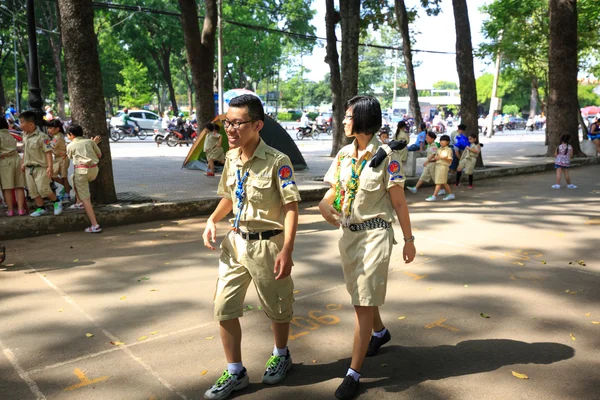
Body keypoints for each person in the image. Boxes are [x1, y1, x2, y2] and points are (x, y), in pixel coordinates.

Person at [201, 94, 301, 400]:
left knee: (277, 309)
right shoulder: (230, 158)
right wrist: (211, 219)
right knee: (224, 308)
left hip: (267, 246)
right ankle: (235, 372)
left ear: (257, 125)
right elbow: (230, 197)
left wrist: (287, 249)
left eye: (237, 123)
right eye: (227, 122)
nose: (230, 129)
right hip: (235, 243)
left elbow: (292, 207)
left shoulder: (277, 162)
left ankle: (281, 354)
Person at [319, 95, 415, 400]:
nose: (344, 121)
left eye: (348, 116)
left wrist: (409, 240)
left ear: (361, 120)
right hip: (348, 236)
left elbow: (399, 201)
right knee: (359, 294)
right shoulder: (344, 155)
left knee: (361, 301)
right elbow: (336, 190)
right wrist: (324, 204)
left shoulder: (388, 156)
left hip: (375, 235)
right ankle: (380, 333)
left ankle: (354, 373)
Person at [19, 110, 63, 217]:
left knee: (44, 189)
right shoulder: (24, 135)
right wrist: (23, 163)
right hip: (29, 168)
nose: (20, 125)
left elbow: (48, 153)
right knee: (32, 190)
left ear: (30, 124)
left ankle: (56, 201)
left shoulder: (42, 137)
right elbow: (26, 150)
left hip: (41, 168)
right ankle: (41, 207)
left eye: (21, 122)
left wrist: (50, 167)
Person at [66, 124, 103, 232]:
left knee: (86, 199)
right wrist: (93, 144)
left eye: (68, 135)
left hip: (82, 171)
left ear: (71, 135)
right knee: (73, 178)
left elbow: (70, 157)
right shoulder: (90, 142)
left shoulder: (70, 145)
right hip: (94, 170)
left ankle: (95, 225)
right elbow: (99, 155)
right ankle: (78, 202)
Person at [0, 117, 27, 216]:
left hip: (5, 161)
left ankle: (10, 210)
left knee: (7, 187)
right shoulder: (11, 135)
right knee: (19, 186)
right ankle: (21, 209)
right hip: (16, 159)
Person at [425, 134, 454, 201]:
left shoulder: (448, 149)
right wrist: (434, 159)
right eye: (441, 140)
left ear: (448, 142)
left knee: (439, 182)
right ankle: (451, 194)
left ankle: (434, 196)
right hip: (438, 166)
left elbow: (450, 159)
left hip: (443, 166)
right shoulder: (439, 149)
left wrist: (442, 157)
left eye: (444, 140)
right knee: (443, 182)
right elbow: (436, 157)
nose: (442, 142)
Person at [47, 119, 71, 201]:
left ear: (57, 129)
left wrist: (44, 141)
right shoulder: (56, 136)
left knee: (63, 177)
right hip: (58, 158)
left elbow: (50, 146)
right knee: (54, 175)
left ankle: (67, 193)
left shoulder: (57, 137)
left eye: (50, 128)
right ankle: (67, 187)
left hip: (62, 159)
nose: (48, 130)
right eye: (48, 128)